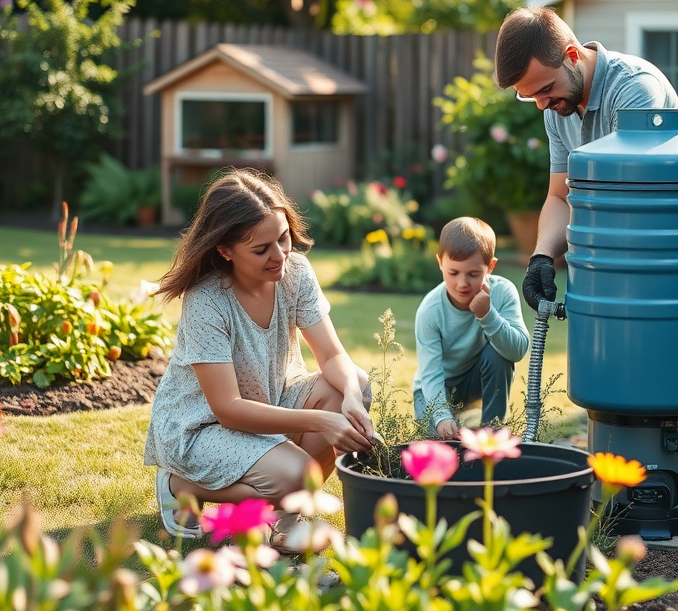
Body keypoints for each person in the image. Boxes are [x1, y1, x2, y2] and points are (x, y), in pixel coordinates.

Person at [144, 169, 374, 542]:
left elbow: (332, 355)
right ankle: (179, 484)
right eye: (261, 249)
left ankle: (283, 520)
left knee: (355, 383)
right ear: (225, 250)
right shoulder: (207, 301)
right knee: (300, 475)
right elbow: (228, 408)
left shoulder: (296, 272)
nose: (280, 255)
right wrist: (322, 422)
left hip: (270, 400)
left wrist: (349, 396)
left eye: (283, 238)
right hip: (202, 428)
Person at [493, 6, 678, 310]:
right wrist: (541, 256)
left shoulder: (635, 89)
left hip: (663, 262)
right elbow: (560, 195)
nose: (541, 106)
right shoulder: (558, 107)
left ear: (571, 55)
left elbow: (622, 195)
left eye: (545, 89)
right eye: (529, 97)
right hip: (611, 254)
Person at [412, 217, 530, 439]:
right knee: (436, 442)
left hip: (476, 378)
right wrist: (441, 415)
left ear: (490, 267)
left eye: (473, 274)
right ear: (440, 263)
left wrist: (487, 314)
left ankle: (492, 434)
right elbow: (431, 373)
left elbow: (518, 350)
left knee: (498, 353)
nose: (462, 283)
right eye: (453, 273)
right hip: (437, 386)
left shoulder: (503, 292)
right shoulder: (430, 310)